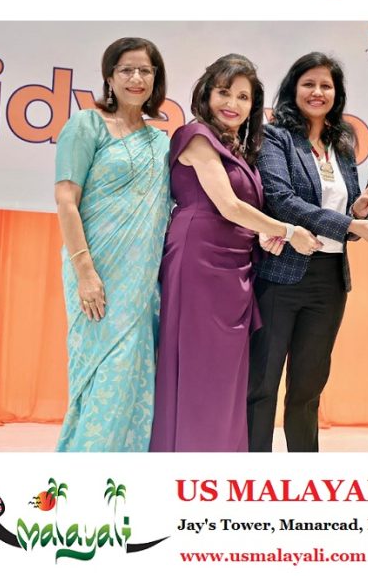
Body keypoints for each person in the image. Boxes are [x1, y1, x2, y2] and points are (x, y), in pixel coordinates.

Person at [150, 54, 320, 452]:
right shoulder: (195, 135)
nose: (233, 104)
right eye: (224, 92)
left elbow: (243, 214)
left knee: (226, 373)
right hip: (198, 260)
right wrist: (287, 231)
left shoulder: (242, 150)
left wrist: (263, 236)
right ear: (207, 94)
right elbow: (227, 206)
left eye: (244, 97)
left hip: (236, 266)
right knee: (198, 365)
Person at [247, 52, 368, 452]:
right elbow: (281, 200)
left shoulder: (341, 144)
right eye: (309, 83)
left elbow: (342, 217)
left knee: (308, 389)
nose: (317, 92)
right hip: (280, 276)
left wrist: (358, 211)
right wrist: (347, 224)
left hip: (329, 281)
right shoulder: (275, 137)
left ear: (337, 94)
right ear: (293, 88)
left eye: (326, 85)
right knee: (262, 385)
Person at [54, 37, 171, 451]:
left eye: (145, 70)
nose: (136, 78)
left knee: (133, 375)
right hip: (95, 273)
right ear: (109, 76)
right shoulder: (86, 125)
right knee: (99, 375)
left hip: (141, 284)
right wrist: (85, 272)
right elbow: (66, 200)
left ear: (155, 78)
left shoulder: (162, 143)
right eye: (126, 69)